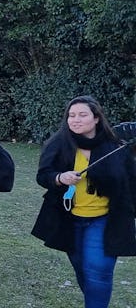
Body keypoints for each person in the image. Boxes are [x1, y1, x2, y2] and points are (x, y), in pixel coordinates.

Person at [31, 96, 136, 308]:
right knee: (83, 270)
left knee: (98, 270)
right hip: (69, 219)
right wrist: (60, 178)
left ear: (96, 118)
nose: (75, 120)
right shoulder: (59, 144)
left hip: (104, 219)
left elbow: (131, 182)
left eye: (82, 115)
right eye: (71, 115)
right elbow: (44, 175)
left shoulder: (115, 146)